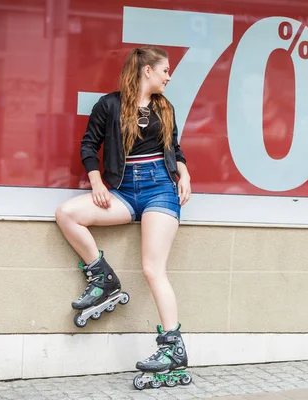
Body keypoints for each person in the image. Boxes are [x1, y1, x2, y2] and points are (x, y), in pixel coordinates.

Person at [55, 46, 191, 381]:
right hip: (123, 190)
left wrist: (184, 175)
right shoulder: (109, 104)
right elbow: (89, 145)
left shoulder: (165, 107)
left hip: (160, 189)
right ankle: (103, 278)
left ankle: (173, 347)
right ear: (147, 71)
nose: (169, 76)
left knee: (152, 269)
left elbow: (174, 148)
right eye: (165, 71)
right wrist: (96, 181)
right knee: (67, 213)